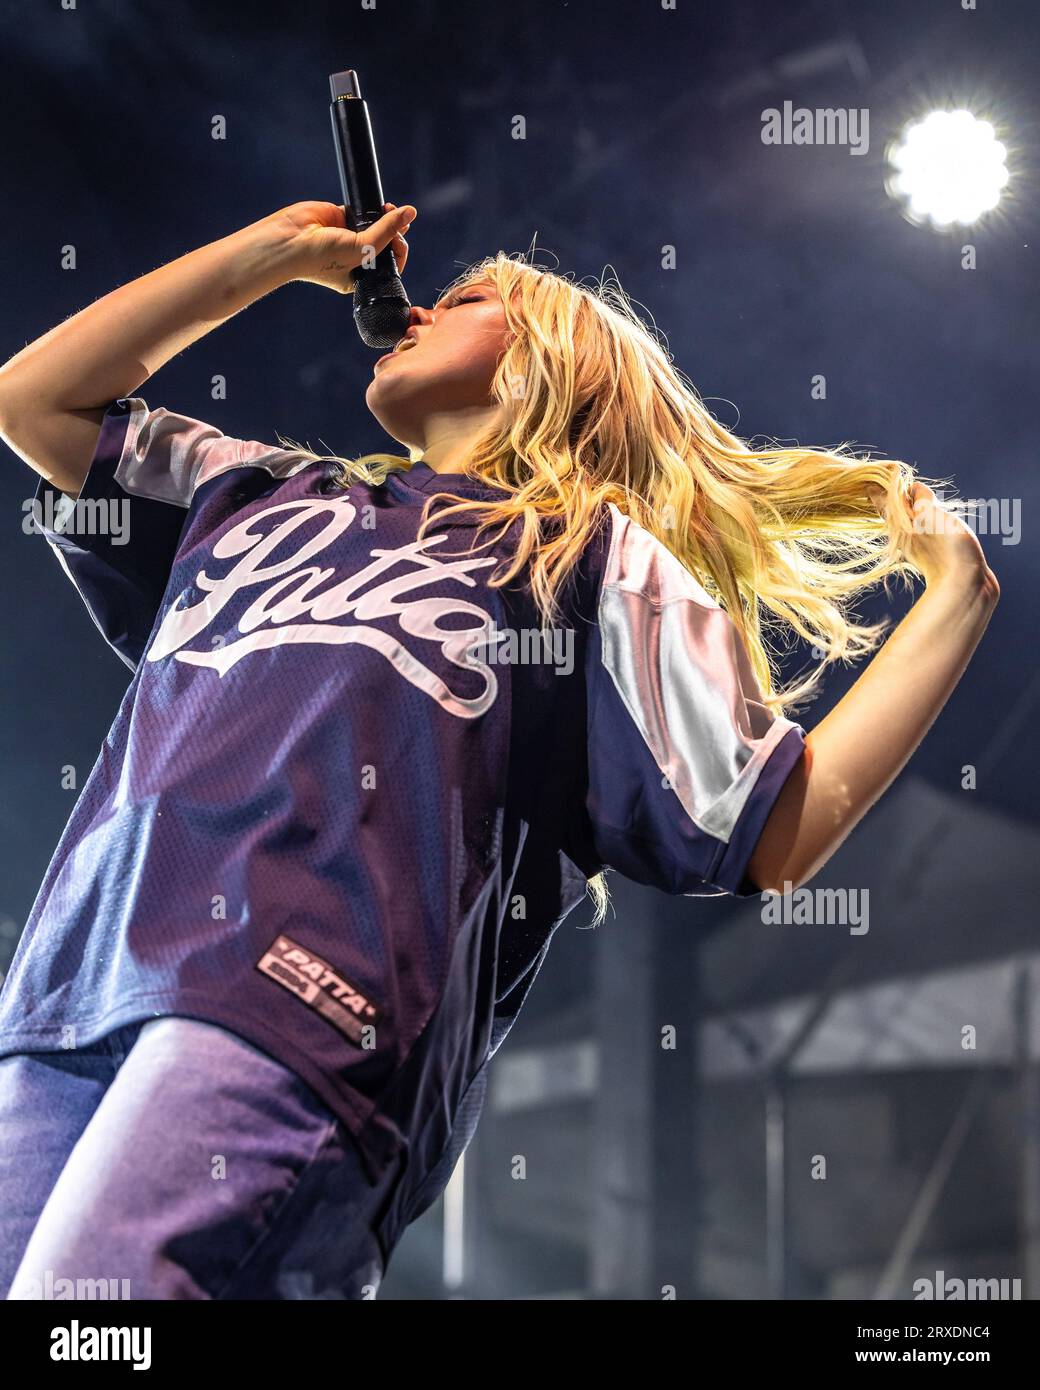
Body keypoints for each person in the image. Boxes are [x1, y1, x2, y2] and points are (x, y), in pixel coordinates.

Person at [0, 197, 999, 1300]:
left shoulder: (586, 556)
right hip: (69, 986)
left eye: (468, 299)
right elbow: (33, 398)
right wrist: (269, 257)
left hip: (304, 1007)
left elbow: (779, 826)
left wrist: (955, 593)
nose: (418, 306)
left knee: (89, 1306)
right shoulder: (253, 491)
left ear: (545, 367)